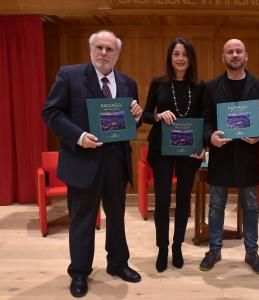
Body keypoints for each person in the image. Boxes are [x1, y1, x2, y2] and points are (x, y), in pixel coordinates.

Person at [42, 30, 143, 297]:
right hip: (82, 161)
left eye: (110, 49)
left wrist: (137, 116)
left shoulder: (128, 83)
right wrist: (78, 136)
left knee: (117, 219)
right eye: (99, 47)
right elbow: (51, 112)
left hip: (116, 163)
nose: (104, 53)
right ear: (91, 49)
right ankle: (79, 273)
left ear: (117, 54)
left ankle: (118, 264)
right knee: (82, 221)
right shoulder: (70, 75)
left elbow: (132, 122)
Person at [199, 39, 259, 275]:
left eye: (239, 51)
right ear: (224, 57)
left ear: (246, 55)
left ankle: (252, 252)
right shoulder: (211, 87)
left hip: (248, 156)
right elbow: (206, 121)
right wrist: (211, 137)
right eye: (230, 51)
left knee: (250, 206)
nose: (235, 55)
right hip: (221, 155)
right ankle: (214, 250)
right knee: (216, 205)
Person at [142, 38, 205, 273]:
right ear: (170, 57)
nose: (180, 58)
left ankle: (177, 246)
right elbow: (145, 115)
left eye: (185, 54)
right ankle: (162, 247)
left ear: (191, 59)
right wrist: (158, 116)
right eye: (176, 54)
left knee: (183, 200)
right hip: (161, 151)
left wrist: (203, 146)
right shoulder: (158, 83)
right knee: (161, 201)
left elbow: (205, 120)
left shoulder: (200, 86)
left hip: (189, 152)